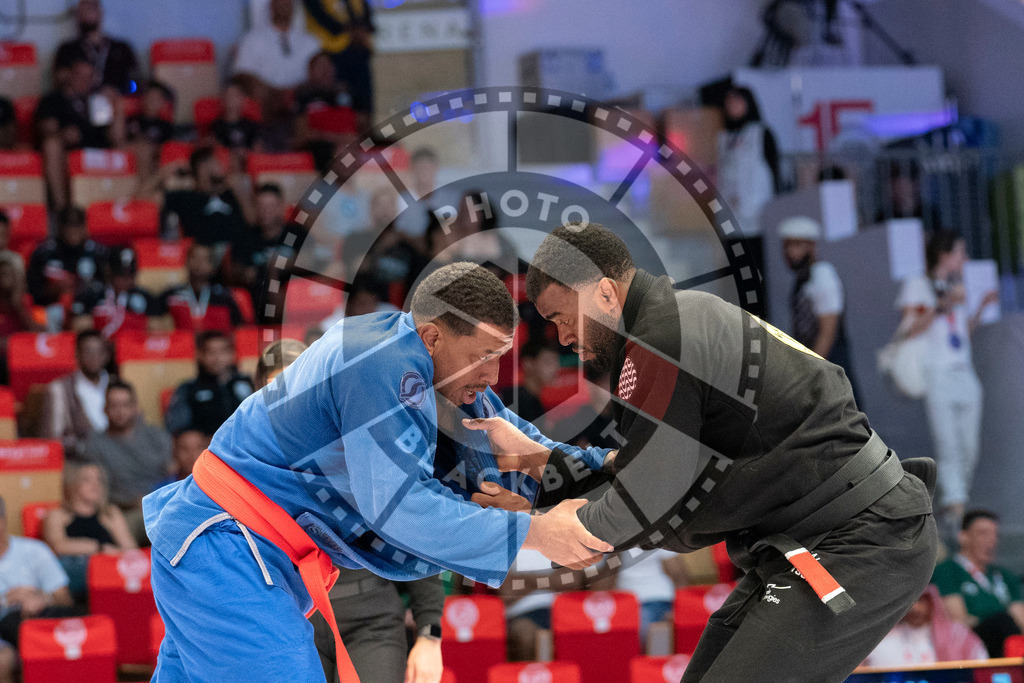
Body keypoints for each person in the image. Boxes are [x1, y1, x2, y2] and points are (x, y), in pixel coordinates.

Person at [470, 222, 937, 683]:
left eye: (561, 317)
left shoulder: (663, 340)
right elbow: (643, 477)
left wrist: (532, 528)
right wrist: (544, 463)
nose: (561, 337)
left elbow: (646, 503)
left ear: (606, 293)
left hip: (859, 534)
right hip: (818, 537)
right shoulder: (671, 324)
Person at [142, 262, 613, 680]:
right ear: (432, 338)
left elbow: (529, 447)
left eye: (500, 356)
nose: (493, 376)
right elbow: (401, 509)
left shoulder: (442, 374)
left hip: (236, 552)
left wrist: (612, 467)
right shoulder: (381, 362)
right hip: (227, 547)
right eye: (482, 357)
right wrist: (535, 532)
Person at [251, 338, 447, 683]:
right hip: (290, 621)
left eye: (295, 386)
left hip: (370, 617)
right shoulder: (247, 460)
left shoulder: (362, 443)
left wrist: (429, 636)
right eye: (274, 391)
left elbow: (414, 539)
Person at [896, 230, 996, 536]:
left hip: (964, 371)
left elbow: (960, 333)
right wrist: (945, 303)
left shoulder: (957, 287)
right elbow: (910, 328)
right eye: (960, 252)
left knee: (969, 448)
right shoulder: (918, 285)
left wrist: (979, 307)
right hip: (937, 373)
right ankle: (956, 513)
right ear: (944, 254)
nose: (964, 259)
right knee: (949, 445)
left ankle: (955, 504)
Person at [778, 215, 859, 401]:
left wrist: (809, 372)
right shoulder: (803, 278)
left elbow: (827, 333)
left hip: (829, 367)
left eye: (797, 245)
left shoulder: (823, 276)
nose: (790, 252)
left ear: (811, 246)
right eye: (787, 245)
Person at [83, 380, 173, 544]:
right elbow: (99, 490)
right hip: (124, 512)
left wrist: (154, 501)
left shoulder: (157, 436)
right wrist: (130, 504)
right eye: (114, 406)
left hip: (163, 506)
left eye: (125, 405)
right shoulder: (95, 444)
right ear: (104, 409)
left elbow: (173, 474)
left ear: (135, 407)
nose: (120, 411)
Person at [716, 85, 780, 306]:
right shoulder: (724, 138)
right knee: (735, 281)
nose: (731, 106)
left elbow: (774, 173)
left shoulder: (760, 133)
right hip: (731, 221)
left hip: (756, 220)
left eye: (737, 101)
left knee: (757, 278)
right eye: (728, 102)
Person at [35, 57, 124, 211]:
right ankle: (63, 210)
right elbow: (47, 129)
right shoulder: (52, 100)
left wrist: (117, 106)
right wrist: (63, 135)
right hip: (67, 152)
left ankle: (130, 207)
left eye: (88, 76)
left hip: (96, 152)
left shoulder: (97, 101)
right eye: (79, 74)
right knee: (52, 145)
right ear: (69, 74)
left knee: (134, 148)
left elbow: (115, 137)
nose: (83, 80)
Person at [932, 510, 1024, 657]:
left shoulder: (1004, 575)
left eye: (994, 535)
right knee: (1002, 622)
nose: (991, 540)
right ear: (963, 537)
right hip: (972, 645)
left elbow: (1020, 619)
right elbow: (958, 620)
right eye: (983, 533)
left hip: (1009, 644)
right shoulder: (947, 571)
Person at [42, 462, 137, 600]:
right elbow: (59, 546)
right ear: (72, 483)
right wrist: (100, 549)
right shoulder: (57, 515)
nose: (95, 484)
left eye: (99, 479)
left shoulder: (110, 513)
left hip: (109, 573)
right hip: (74, 573)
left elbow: (131, 550)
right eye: (87, 479)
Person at [0, 495, 77, 647]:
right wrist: (6, 600)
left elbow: (65, 598)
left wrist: (42, 599)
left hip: (44, 626)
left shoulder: (35, 550)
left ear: (2, 520)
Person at [861, 585, 987, 667]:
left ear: (931, 602)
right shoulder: (883, 639)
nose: (914, 608)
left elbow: (981, 666)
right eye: (910, 602)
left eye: (921, 600)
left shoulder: (957, 636)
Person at [26, 206, 107, 328]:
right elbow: (33, 292)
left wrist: (84, 288)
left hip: (88, 311)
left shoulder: (98, 253)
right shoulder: (43, 254)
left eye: (77, 225)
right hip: (52, 310)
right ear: (60, 227)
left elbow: (107, 289)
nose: (73, 231)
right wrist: (52, 291)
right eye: (69, 226)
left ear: (84, 227)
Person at [161, 147, 248, 258]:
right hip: (203, 257)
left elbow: (252, 222)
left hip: (237, 256)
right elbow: (146, 197)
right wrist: (166, 171)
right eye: (215, 161)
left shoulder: (230, 194)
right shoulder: (185, 197)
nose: (221, 165)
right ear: (202, 167)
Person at [164, 330, 254, 437]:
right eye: (211, 352)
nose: (217, 358)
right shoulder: (189, 388)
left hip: (244, 440)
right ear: (200, 355)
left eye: (223, 352)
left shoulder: (248, 383)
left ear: (233, 354)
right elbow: (176, 427)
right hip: (206, 444)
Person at [39, 329, 112, 459]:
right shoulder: (59, 389)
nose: (94, 357)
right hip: (79, 460)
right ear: (77, 354)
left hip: (118, 458)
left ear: (106, 355)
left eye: (99, 351)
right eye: (88, 351)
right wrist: (87, 447)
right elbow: (52, 439)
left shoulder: (117, 386)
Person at [301, 0, 375, 124]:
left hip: (358, 49)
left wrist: (364, 29)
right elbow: (317, 12)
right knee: (337, 100)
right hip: (331, 50)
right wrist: (347, 29)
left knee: (364, 101)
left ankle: (366, 130)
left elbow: (365, 9)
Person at [53, 0, 140, 95]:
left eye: (91, 7)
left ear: (100, 12)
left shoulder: (122, 48)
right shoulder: (67, 50)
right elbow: (59, 81)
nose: (87, 12)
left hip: (117, 99)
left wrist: (117, 93)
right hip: (80, 100)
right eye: (83, 9)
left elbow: (135, 82)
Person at [73, 245, 160, 339]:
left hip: (131, 344)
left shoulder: (144, 296)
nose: (126, 280)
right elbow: (77, 323)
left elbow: (156, 327)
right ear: (109, 272)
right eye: (120, 275)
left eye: (130, 275)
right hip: (98, 344)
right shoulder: (94, 294)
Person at [229, 183, 294, 308]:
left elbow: (311, 261)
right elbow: (235, 269)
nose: (265, 211)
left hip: (294, 300)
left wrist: (281, 265)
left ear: (281, 207)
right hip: (256, 301)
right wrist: (244, 273)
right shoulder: (246, 237)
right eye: (261, 206)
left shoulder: (296, 234)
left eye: (270, 206)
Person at [159, 243, 243, 333]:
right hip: (182, 341)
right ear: (186, 262)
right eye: (194, 258)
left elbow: (239, 329)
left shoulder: (224, 297)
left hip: (215, 341)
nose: (199, 263)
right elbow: (155, 324)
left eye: (204, 260)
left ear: (213, 267)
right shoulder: (170, 295)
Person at [500, 337, 561, 426]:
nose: (555, 368)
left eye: (556, 362)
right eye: (548, 362)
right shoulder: (515, 401)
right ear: (528, 363)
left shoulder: (535, 401)